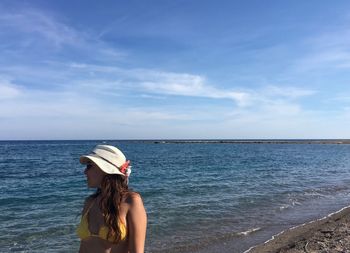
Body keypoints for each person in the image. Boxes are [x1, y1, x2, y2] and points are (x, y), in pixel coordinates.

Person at [77, 145, 147, 253]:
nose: (85, 172)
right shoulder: (89, 202)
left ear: (105, 169)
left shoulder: (131, 201)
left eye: (89, 166)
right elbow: (83, 248)